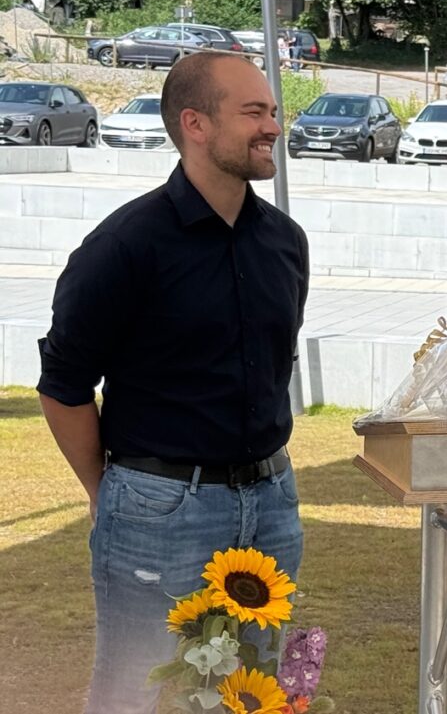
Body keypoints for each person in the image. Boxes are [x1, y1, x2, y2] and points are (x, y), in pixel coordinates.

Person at [37, 52, 310, 714]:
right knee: (132, 695)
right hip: (158, 511)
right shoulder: (124, 245)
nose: (273, 126)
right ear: (195, 124)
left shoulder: (286, 242)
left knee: (251, 694)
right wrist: (109, 492)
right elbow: (63, 384)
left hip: (272, 504)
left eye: (273, 111)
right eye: (254, 111)